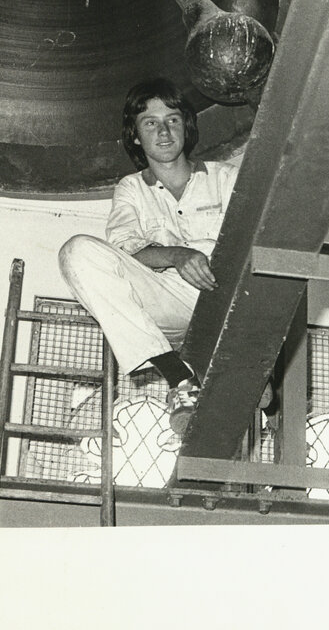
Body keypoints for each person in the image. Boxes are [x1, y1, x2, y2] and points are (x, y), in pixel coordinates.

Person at [58, 77, 238, 433]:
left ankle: (254, 375)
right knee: (77, 251)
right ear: (136, 136)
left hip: (228, 294)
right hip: (170, 302)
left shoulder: (226, 177)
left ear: (186, 126)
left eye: (172, 120)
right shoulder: (131, 188)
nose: (164, 132)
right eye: (151, 123)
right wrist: (176, 255)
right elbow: (124, 247)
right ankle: (179, 377)